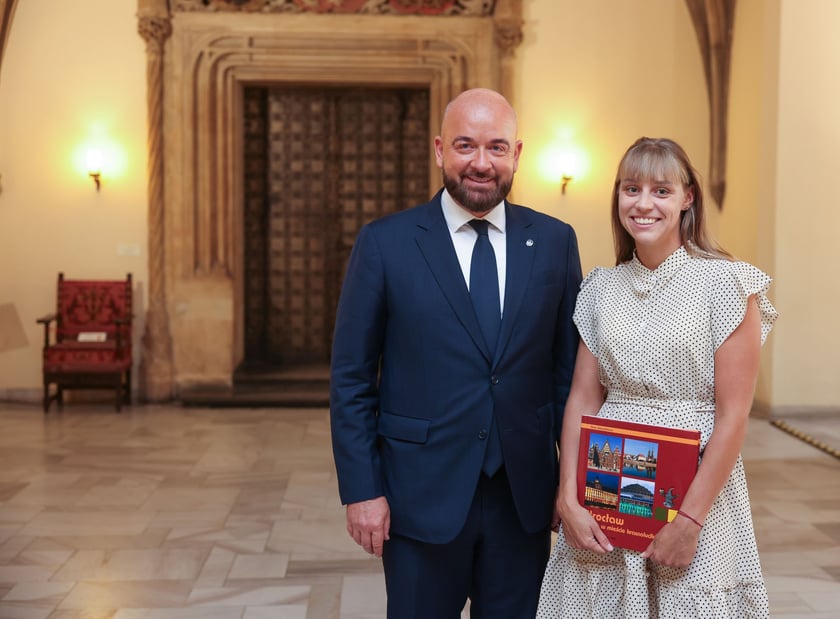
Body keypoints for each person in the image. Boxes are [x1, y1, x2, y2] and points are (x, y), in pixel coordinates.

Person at [329, 87, 582, 618]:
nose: (481, 163)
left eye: (496, 147)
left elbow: (567, 377)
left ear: (517, 155)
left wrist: (570, 485)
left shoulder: (555, 242)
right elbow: (352, 380)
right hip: (418, 498)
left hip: (523, 501)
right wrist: (362, 491)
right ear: (440, 150)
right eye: (466, 145)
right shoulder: (385, 243)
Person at [537, 137, 778, 618]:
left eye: (661, 191)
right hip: (607, 485)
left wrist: (689, 520)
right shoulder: (600, 287)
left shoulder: (727, 284)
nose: (643, 203)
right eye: (632, 189)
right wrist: (568, 496)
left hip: (695, 490)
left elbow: (734, 416)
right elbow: (583, 398)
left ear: (688, 198)